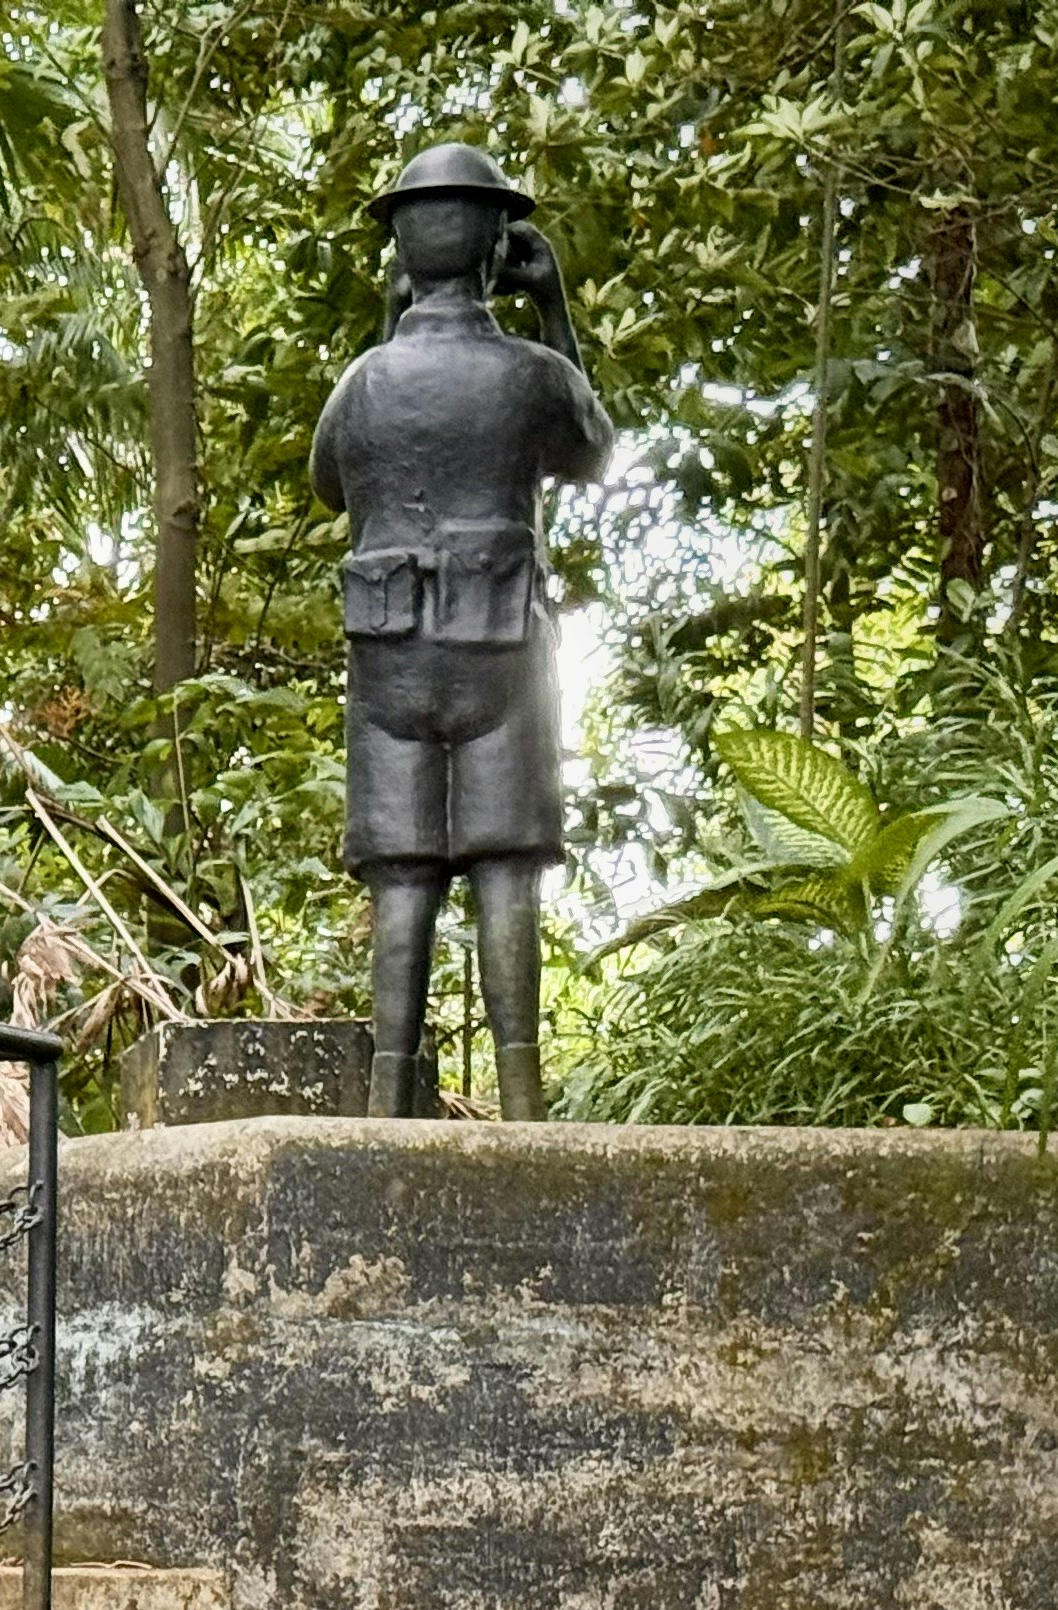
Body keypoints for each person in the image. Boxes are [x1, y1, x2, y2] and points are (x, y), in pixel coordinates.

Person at [312, 142, 613, 1120]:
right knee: (505, 868)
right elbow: (591, 450)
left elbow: (329, 483)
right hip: (500, 648)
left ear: (402, 253)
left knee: (402, 881)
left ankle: (384, 1103)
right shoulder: (531, 373)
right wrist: (553, 309)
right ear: (497, 248)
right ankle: (524, 1106)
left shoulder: (363, 381)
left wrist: (384, 332)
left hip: (390, 656)